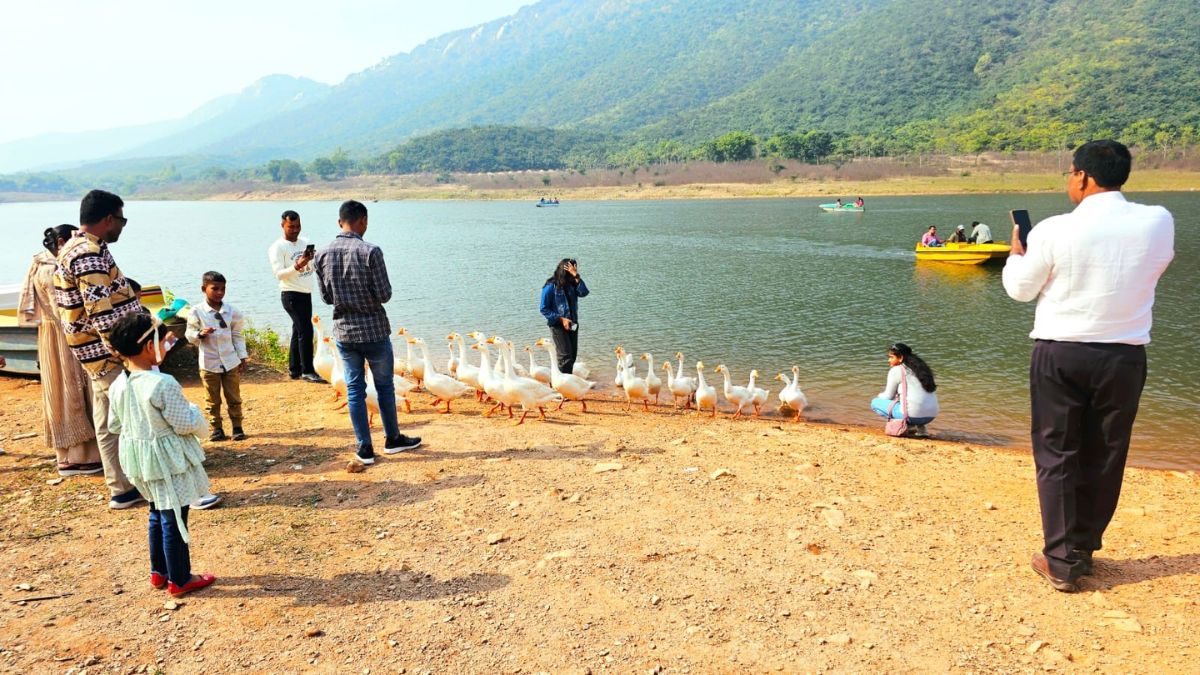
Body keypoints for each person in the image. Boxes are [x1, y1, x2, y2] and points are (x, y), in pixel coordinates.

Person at [1002, 140, 1174, 593]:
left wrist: (1017, 252)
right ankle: (1083, 548)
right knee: (1106, 450)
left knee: (1057, 452)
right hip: (1124, 354)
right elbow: (1157, 265)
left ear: (1081, 176)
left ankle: (1059, 559)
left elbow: (1021, 290)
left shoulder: (1055, 230)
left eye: (1069, 175)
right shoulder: (1159, 221)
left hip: (1061, 352)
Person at [107, 312, 216, 597]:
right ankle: (180, 578)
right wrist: (195, 413)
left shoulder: (119, 383)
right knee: (175, 518)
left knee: (157, 512)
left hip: (139, 461)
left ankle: (159, 572)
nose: (164, 348)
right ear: (147, 347)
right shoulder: (163, 383)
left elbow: (114, 424)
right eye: (161, 342)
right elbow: (184, 424)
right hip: (168, 463)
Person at [53, 189, 145, 509]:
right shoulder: (86, 255)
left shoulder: (84, 248)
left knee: (107, 421)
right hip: (106, 354)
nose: (122, 226)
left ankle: (121, 487)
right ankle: (130, 483)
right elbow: (101, 315)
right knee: (127, 418)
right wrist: (126, 354)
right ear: (108, 219)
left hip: (94, 353)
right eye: (121, 219)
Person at [313, 200, 421, 465]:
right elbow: (385, 294)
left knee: (354, 389)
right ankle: (392, 439)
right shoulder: (371, 251)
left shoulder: (321, 254)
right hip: (373, 329)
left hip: (344, 332)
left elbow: (326, 298)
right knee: (384, 386)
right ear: (363, 221)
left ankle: (364, 448)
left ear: (340, 222)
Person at [18, 224, 103, 477]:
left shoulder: (38, 264)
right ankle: (84, 457)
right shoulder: (55, 268)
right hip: (67, 335)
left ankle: (66, 456)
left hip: (49, 335)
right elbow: (65, 310)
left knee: (58, 395)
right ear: (63, 241)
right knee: (74, 394)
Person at [185, 271, 248, 442]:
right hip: (209, 362)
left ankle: (237, 427)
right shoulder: (197, 312)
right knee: (212, 398)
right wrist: (200, 334)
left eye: (223, 289)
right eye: (215, 289)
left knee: (234, 396)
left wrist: (242, 357)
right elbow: (189, 334)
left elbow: (237, 335)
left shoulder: (232, 311)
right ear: (204, 288)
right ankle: (216, 428)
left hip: (230, 361)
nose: (220, 292)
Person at [268, 210, 325, 383]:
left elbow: (313, 265)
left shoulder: (305, 242)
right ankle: (308, 370)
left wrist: (311, 260)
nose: (295, 230)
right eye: (291, 226)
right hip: (291, 294)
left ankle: (295, 369)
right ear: (282, 225)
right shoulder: (277, 247)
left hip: (306, 293)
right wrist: (298, 265)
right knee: (306, 331)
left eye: (298, 226)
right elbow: (279, 274)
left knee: (298, 331)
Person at [870, 343, 939, 437]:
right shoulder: (923, 369)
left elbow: (888, 396)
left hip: (912, 416)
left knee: (875, 403)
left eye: (891, 357)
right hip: (931, 415)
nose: (888, 360)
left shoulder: (897, 370)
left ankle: (908, 425)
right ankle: (921, 429)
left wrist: (879, 395)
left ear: (901, 358)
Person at [539, 258, 589, 376]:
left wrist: (577, 276)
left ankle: (562, 383)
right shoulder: (550, 287)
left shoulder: (572, 284)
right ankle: (562, 387)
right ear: (564, 271)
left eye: (575, 269)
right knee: (565, 357)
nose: (573, 272)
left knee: (572, 356)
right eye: (571, 270)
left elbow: (584, 292)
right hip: (558, 325)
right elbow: (543, 308)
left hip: (572, 325)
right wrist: (561, 319)